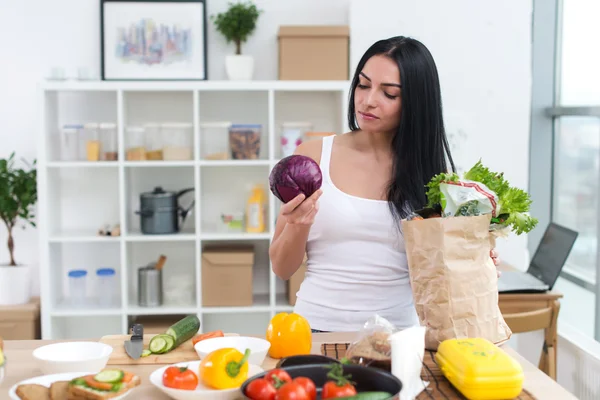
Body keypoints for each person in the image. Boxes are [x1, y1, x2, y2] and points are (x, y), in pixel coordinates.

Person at [269, 36, 500, 333]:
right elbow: (282, 268)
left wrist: (472, 257)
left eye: (389, 93)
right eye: (363, 85)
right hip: (315, 331)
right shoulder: (312, 158)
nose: (368, 100)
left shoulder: (432, 175)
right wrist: (298, 224)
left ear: (416, 103)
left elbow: (438, 272)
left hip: (399, 337)